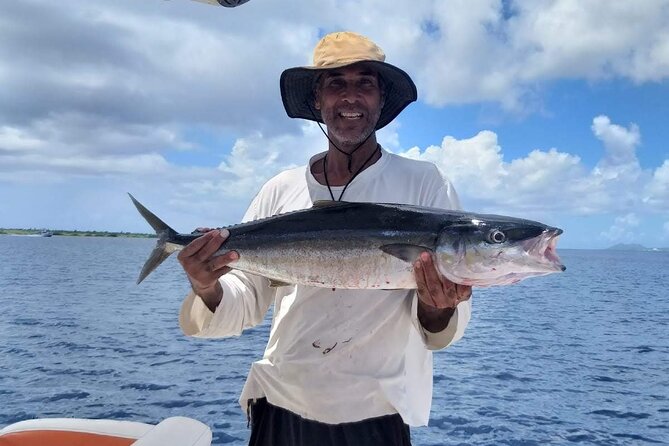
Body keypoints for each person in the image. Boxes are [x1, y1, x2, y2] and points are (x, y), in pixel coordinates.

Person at [177, 31, 472, 446]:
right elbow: (244, 300)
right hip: (280, 400)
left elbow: (445, 326)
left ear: (381, 98)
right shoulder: (280, 190)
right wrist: (206, 284)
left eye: (364, 83)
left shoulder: (426, 185)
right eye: (336, 83)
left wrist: (438, 307)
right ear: (317, 99)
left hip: (378, 410)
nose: (350, 97)